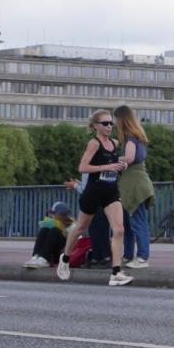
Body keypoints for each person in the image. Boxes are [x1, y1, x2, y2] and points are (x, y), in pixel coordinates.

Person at [56, 109, 132, 286]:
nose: (109, 126)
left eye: (111, 123)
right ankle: (65, 259)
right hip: (93, 192)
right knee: (81, 228)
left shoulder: (114, 142)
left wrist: (122, 164)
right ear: (95, 126)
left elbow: (114, 164)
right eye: (105, 123)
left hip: (111, 192)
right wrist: (107, 167)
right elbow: (82, 168)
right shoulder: (94, 143)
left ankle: (116, 273)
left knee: (119, 229)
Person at [114, 105, 154, 269]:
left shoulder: (130, 137)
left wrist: (114, 158)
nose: (115, 122)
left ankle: (143, 257)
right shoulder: (138, 136)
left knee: (137, 222)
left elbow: (129, 158)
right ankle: (128, 255)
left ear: (122, 119)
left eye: (116, 119)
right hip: (137, 184)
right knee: (129, 223)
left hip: (134, 186)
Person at [24, 202, 73, 268]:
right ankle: (36, 256)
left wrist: (63, 231)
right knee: (44, 230)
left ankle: (44, 259)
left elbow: (75, 245)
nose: (51, 216)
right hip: (51, 252)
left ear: (60, 214)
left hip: (63, 254)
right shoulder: (54, 222)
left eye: (53, 213)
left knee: (55, 231)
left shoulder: (72, 226)